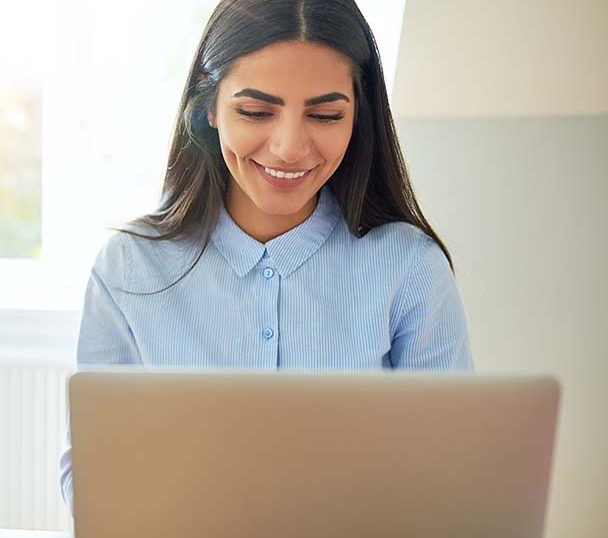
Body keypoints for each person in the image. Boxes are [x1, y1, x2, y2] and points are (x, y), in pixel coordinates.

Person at [59, 0, 474, 511]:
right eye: (255, 112)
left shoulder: (410, 267)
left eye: (325, 115)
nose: (289, 147)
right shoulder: (128, 268)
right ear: (208, 109)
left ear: (357, 117)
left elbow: (452, 472)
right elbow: (92, 478)